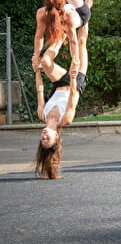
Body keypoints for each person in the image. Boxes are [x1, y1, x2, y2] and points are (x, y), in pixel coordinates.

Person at [34, 20, 90, 179]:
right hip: (75, 82)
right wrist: (74, 76)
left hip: (59, 83)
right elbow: (73, 96)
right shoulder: (66, 119)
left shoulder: (42, 115)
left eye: (42, 139)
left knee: (44, 61)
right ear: (56, 137)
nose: (44, 135)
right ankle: (85, 15)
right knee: (81, 42)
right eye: (48, 138)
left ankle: (63, 32)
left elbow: (40, 90)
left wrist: (37, 71)